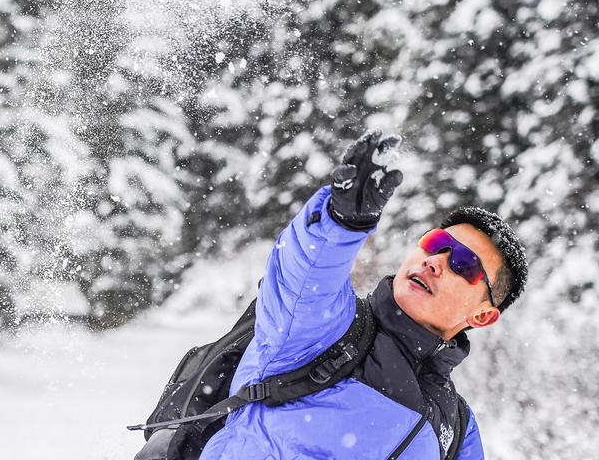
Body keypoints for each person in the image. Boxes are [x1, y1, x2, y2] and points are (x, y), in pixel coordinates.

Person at [197, 130, 528, 460]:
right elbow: (299, 279)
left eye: (463, 263)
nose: (434, 262)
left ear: (483, 315)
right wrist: (340, 223)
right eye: (436, 243)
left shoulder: (456, 426)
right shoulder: (330, 328)